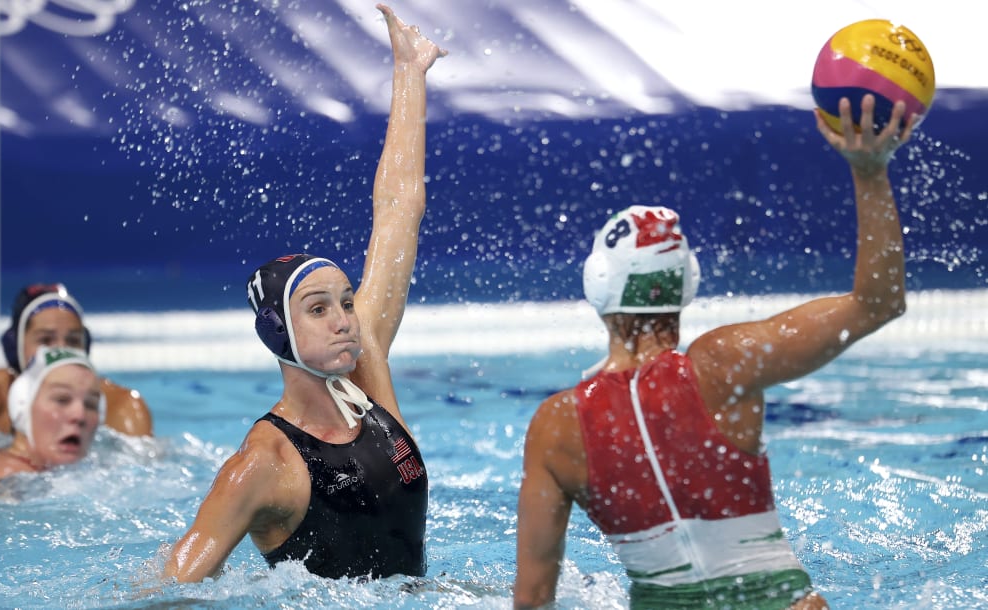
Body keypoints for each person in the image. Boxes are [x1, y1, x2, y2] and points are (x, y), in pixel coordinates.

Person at [513, 93, 917, 609]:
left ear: (596, 285)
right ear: (689, 282)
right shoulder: (726, 364)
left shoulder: (556, 427)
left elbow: (531, 600)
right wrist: (869, 171)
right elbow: (877, 303)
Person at [161, 4, 445, 582]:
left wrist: (409, 74)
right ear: (276, 332)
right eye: (319, 309)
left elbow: (398, 211)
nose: (346, 319)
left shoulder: (367, 373)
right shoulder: (262, 465)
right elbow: (172, 586)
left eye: (345, 301)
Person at [0, 283, 153, 437]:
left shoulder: (121, 406)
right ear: (14, 348)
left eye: (73, 341)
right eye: (46, 340)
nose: (61, 352)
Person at [0, 346, 104, 483]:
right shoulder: (9, 478)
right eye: (62, 399)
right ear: (22, 404)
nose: (80, 416)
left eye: (91, 404)